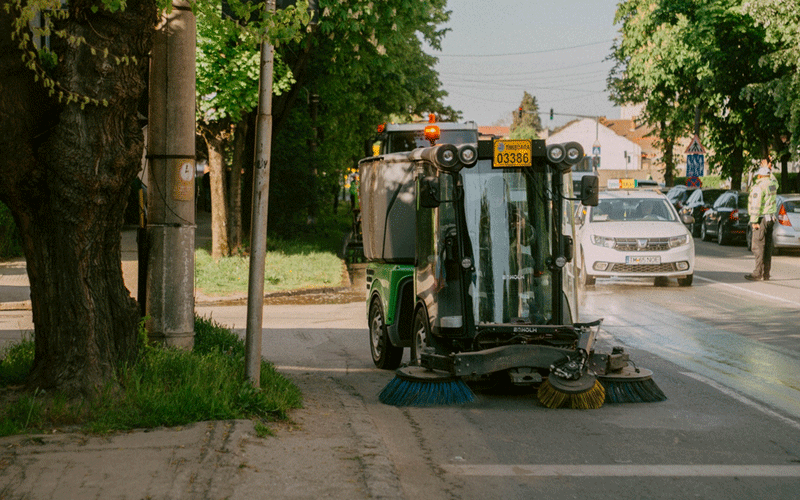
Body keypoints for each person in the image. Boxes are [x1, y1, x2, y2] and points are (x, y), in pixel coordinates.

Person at [745, 160, 779, 281]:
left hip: (761, 219)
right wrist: (769, 170)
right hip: (770, 218)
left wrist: (754, 221)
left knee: (758, 246)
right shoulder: (772, 184)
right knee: (767, 247)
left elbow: (756, 205)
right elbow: (775, 181)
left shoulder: (758, 187)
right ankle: (766, 273)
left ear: (759, 176)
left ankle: (757, 273)